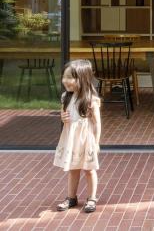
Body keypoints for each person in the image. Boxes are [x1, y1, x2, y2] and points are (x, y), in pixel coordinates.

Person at [53, 59, 101, 213]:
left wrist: (97, 142)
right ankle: (71, 197)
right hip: (71, 139)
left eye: (70, 77)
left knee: (89, 169)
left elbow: (97, 123)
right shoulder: (65, 97)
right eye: (64, 77)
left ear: (82, 78)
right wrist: (63, 117)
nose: (65, 81)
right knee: (73, 169)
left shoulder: (90, 100)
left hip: (86, 140)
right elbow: (64, 114)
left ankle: (92, 198)